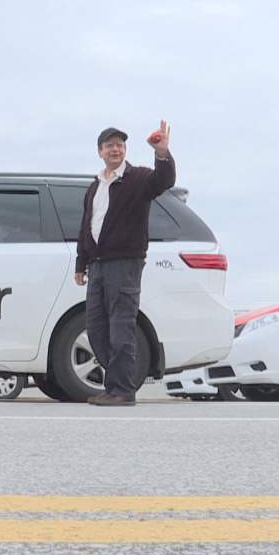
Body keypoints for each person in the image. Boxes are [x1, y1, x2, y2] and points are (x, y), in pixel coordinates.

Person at [74, 123, 176, 406]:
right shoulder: (95, 187)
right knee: (96, 329)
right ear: (100, 151)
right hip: (97, 266)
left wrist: (162, 153)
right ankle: (114, 385)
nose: (115, 149)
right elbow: (86, 226)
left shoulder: (138, 178)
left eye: (119, 145)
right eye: (109, 145)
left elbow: (164, 181)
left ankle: (122, 390)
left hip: (125, 264)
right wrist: (81, 263)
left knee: (121, 328)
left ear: (125, 149)